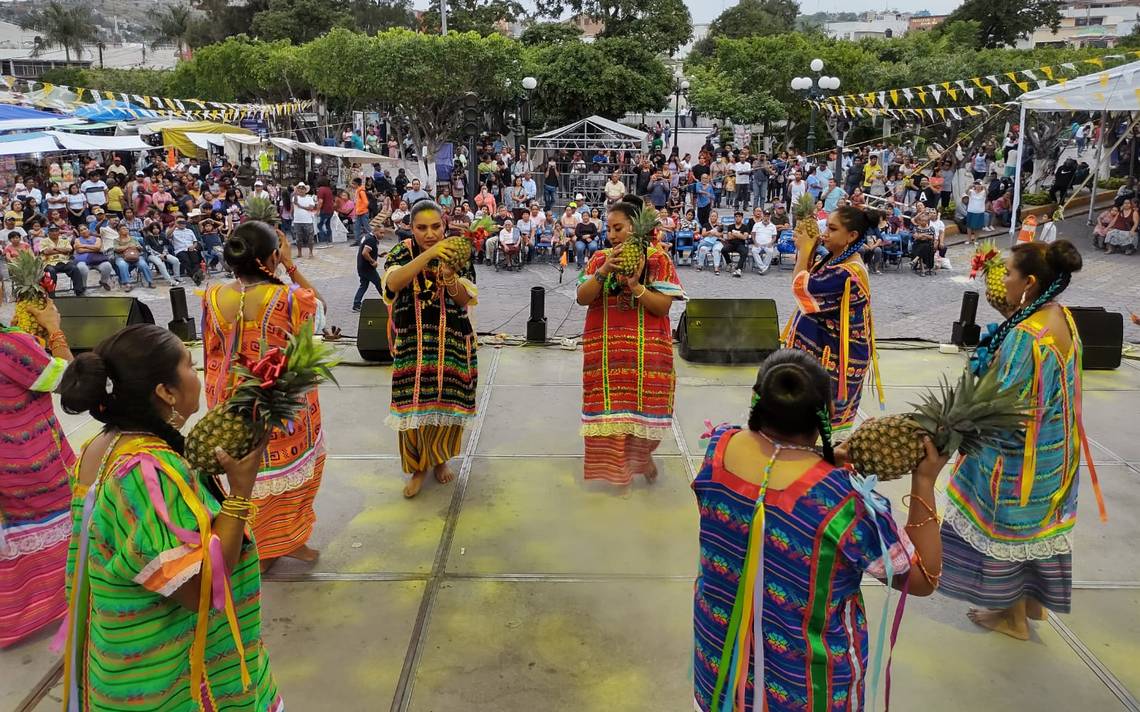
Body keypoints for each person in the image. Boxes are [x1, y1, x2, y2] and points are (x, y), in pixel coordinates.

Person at [693, 349, 947, 712]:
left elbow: (756, 496)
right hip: (805, 688)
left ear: (756, 399)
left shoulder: (718, 447)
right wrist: (923, 481)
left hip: (720, 669)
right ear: (826, 417)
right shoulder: (845, 503)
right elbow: (921, 578)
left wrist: (818, 459)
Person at [57, 324, 282, 710]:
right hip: (169, 681)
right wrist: (240, 493)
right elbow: (199, 591)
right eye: (191, 366)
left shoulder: (101, 446)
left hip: (125, 664)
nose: (198, 375)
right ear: (166, 392)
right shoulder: (150, 474)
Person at [942, 240, 1097, 641]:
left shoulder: (1027, 335)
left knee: (1011, 528)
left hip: (1020, 456)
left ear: (1028, 282)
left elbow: (1000, 398)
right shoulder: (1059, 316)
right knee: (1036, 529)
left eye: (1008, 273)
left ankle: (1011, 619)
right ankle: (1031, 605)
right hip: (1055, 450)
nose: (1003, 279)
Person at [201, 221, 327, 573]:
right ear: (272, 257)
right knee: (288, 478)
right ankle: (275, 545)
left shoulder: (213, 296)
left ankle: (266, 544)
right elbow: (321, 310)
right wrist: (291, 265)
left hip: (232, 404)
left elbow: (211, 352)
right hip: (282, 411)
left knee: (247, 480)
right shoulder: (289, 297)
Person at [575, 196, 685, 485]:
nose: (611, 235)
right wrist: (603, 271)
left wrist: (636, 286)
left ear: (635, 227)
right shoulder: (599, 258)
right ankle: (619, 472)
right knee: (610, 412)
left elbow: (662, 307)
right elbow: (582, 298)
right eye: (609, 229)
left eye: (618, 228)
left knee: (646, 410)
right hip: (607, 351)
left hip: (647, 351)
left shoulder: (658, 259)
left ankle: (640, 457)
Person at [382, 201, 478, 498]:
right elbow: (393, 284)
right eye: (422, 228)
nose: (430, 233)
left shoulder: (459, 251)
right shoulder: (401, 252)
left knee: (446, 403)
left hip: (451, 341)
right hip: (414, 343)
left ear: (444, 224)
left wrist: (450, 277)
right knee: (412, 405)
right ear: (410, 229)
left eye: (436, 227)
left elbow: (465, 298)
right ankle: (418, 467)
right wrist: (429, 255)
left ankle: (439, 459)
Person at [0, 301, 74, 648]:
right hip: (28, 462)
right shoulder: (9, 343)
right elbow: (68, 379)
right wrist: (54, 329)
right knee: (61, 527)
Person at [783, 206, 883, 437]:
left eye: (832, 228)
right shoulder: (836, 258)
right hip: (824, 352)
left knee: (820, 427)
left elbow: (803, 288)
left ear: (852, 236)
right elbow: (806, 278)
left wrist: (806, 248)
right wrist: (807, 251)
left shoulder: (848, 272)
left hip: (835, 359)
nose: (825, 233)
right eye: (826, 226)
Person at [353, 223, 387, 312]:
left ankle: (356, 304)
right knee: (379, 283)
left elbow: (369, 250)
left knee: (363, 285)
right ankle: (387, 300)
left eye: (383, 233)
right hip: (367, 267)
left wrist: (378, 255)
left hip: (361, 266)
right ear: (375, 231)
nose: (382, 235)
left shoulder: (369, 237)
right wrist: (373, 261)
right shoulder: (371, 240)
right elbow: (365, 253)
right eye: (381, 233)